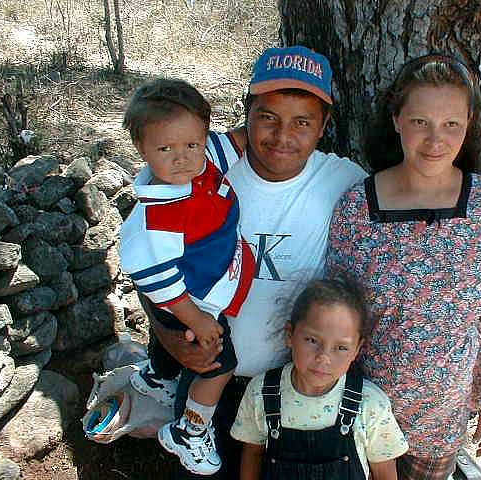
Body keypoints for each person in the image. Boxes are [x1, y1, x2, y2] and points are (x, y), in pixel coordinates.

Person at [147, 46, 367, 479]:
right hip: (209, 378)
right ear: (246, 113)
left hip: (293, 389)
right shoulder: (203, 174)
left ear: (324, 126)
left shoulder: (344, 181)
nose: (283, 135)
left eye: (302, 122)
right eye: (268, 117)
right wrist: (167, 335)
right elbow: (148, 258)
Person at [327, 54, 481, 479]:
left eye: (451, 124)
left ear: (469, 124)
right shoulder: (357, 207)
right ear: (397, 120)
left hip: (443, 421)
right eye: (420, 122)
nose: (436, 139)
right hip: (359, 414)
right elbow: (331, 316)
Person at [119, 78, 255, 475]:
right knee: (218, 365)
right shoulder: (156, 218)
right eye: (165, 150)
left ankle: (158, 377)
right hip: (187, 302)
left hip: (205, 279)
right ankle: (190, 431)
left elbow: (237, 141)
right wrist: (197, 320)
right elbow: (157, 283)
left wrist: (271, 125)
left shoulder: (203, 158)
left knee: (169, 355)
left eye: (192, 145)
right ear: (142, 148)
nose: (181, 158)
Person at [231, 277, 409, 479]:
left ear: (356, 349)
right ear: (290, 334)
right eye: (312, 340)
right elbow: (252, 454)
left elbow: (384, 471)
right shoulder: (261, 393)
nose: (323, 357)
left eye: (341, 347)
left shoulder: (370, 403)